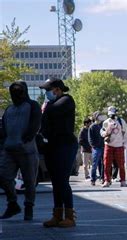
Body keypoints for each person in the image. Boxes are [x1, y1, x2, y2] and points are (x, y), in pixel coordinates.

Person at [39, 78, 78, 228]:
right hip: (53, 146)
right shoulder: (50, 104)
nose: (46, 94)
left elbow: (51, 111)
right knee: (55, 182)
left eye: (48, 90)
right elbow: (44, 121)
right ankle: (57, 215)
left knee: (62, 180)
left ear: (57, 89)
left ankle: (69, 216)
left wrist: (46, 108)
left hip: (66, 146)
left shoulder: (67, 100)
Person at [0, 81, 41, 221]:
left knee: (29, 181)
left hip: (27, 150)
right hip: (9, 149)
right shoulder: (9, 109)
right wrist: (4, 143)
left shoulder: (32, 105)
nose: (15, 94)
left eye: (18, 91)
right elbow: (3, 127)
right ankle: (13, 204)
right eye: (13, 91)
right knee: (3, 176)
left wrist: (26, 139)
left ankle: (28, 207)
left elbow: (36, 124)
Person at [100, 106, 127, 188]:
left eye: (113, 114)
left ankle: (123, 181)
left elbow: (125, 134)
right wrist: (106, 133)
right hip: (108, 145)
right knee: (106, 164)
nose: (112, 116)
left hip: (119, 145)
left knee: (121, 165)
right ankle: (107, 181)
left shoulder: (121, 121)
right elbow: (102, 132)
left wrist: (125, 145)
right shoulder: (106, 122)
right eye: (110, 114)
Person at [88, 111, 105, 186]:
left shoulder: (102, 125)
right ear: (96, 117)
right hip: (96, 148)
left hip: (103, 146)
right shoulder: (92, 126)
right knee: (94, 165)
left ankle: (102, 178)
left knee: (103, 164)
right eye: (99, 116)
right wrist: (93, 146)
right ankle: (93, 179)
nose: (101, 117)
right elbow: (90, 138)